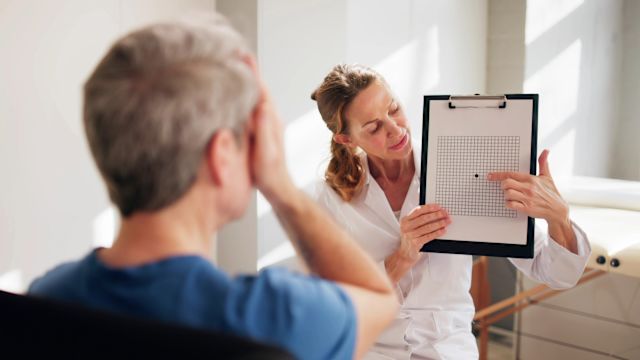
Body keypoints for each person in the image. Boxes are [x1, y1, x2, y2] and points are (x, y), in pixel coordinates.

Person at [28, 16, 399, 360]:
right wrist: (280, 186)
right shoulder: (276, 319)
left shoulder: (47, 297)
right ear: (221, 154)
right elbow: (378, 299)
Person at [311, 64, 591, 359]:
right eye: (374, 127)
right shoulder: (330, 199)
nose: (396, 129)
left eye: (394, 109)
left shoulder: (463, 170)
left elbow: (557, 274)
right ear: (347, 139)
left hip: (445, 349)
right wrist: (401, 258)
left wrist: (558, 217)